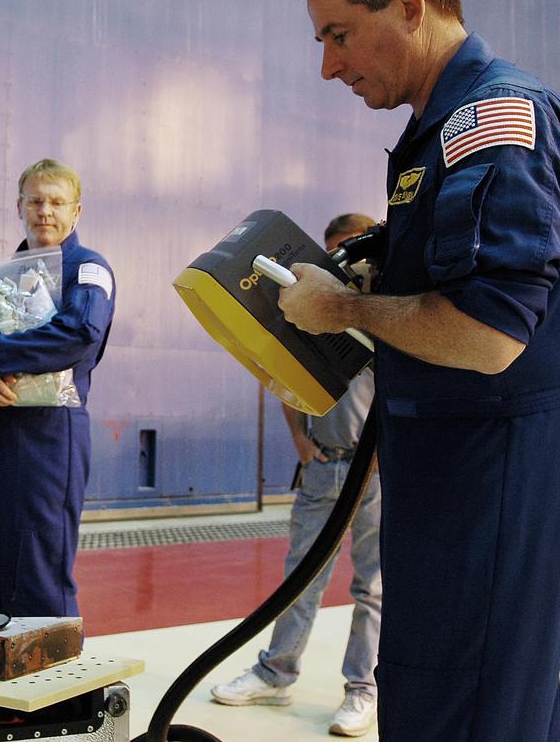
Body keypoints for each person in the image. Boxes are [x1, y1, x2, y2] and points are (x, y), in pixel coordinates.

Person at [279, 0, 560, 742]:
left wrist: (341, 310)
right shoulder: (436, 135)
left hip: (489, 484)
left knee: (465, 710)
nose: (327, 65)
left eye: (340, 34)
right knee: (454, 701)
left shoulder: (495, 122)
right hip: (451, 478)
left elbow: (490, 332)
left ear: (410, 6)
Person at [211, 214, 381, 738]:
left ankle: (363, 689)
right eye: (330, 254)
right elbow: (283, 376)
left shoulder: (380, 314)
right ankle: (275, 671)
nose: (339, 264)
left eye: (349, 252)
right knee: (300, 579)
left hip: (374, 472)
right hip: (322, 466)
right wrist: (302, 444)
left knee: (372, 586)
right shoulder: (311, 313)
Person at [0, 158, 115, 616]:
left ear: (76, 212)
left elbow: (80, 332)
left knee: (36, 565)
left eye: (57, 202)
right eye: (35, 201)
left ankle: (52, 682)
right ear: (19, 206)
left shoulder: (88, 270)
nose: (45, 211)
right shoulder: (2, 275)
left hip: (48, 434)